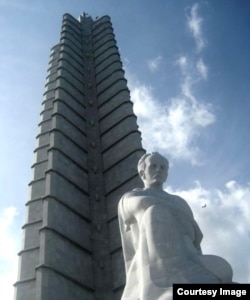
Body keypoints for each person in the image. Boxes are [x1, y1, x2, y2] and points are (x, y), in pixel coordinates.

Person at [118, 152, 233, 300]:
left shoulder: (180, 201)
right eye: (153, 166)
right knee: (156, 212)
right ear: (142, 173)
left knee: (224, 270)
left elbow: (195, 235)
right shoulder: (130, 197)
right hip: (154, 265)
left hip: (189, 257)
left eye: (163, 167)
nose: (158, 170)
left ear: (166, 174)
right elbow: (142, 206)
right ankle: (166, 286)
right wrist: (175, 214)